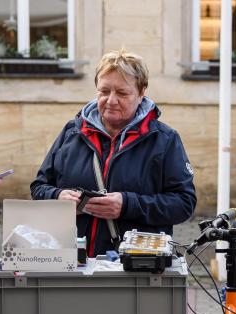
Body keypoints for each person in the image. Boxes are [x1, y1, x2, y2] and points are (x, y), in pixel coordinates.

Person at [30, 49, 196, 256]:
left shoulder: (164, 139)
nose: (111, 100)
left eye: (122, 93)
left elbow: (184, 203)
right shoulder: (72, 132)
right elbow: (39, 187)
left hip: (135, 264)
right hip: (72, 261)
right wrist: (57, 197)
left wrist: (128, 205)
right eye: (104, 91)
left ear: (141, 93)